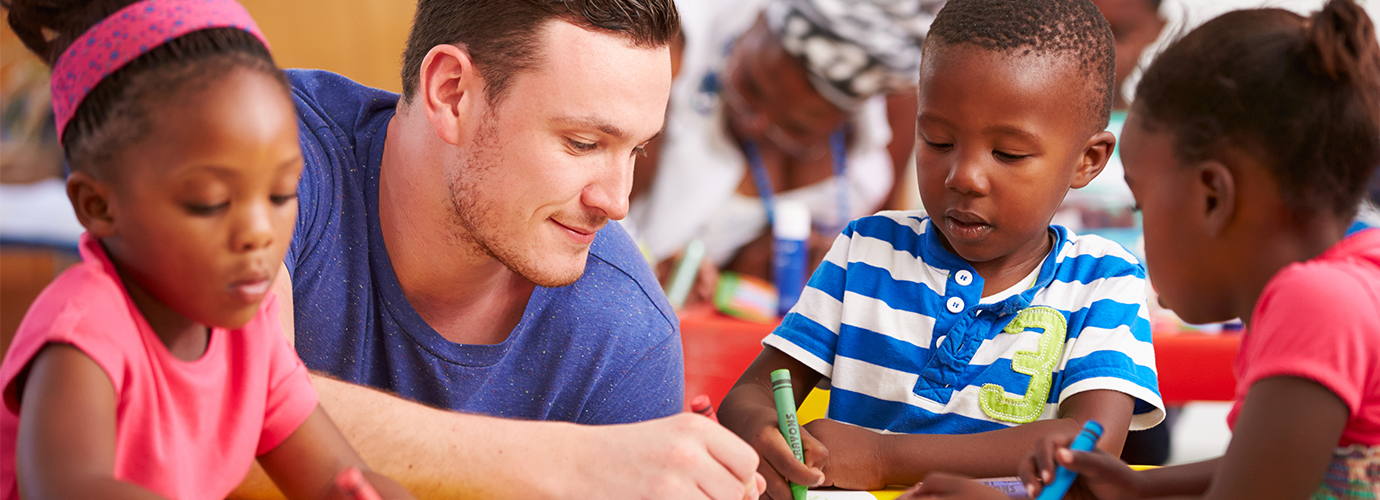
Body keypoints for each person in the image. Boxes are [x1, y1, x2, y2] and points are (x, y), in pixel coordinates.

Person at [234, 1, 764, 498]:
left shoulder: (626, 328)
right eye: (583, 143)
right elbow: (221, 415)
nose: (617, 201)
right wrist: (577, 464)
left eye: (637, 149)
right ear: (452, 92)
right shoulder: (257, 144)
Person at [905, 1, 1380, 499]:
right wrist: (1135, 489)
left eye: (1141, 203)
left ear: (1213, 197)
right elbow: (1273, 467)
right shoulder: (1357, 275)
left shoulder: (1315, 304)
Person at [716, 0, 1165, 497]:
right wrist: (762, 435)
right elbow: (755, 389)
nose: (964, 176)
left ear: (1088, 159)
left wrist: (884, 458)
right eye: (937, 141)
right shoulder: (867, 252)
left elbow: (1088, 446)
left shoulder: (1102, 281)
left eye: (1007, 154)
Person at [0, 0, 412, 498]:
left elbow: (337, 479)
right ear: (98, 205)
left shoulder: (251, 338)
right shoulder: (83, 333)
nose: (259, 231)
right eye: (210, 202)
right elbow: (68, 488)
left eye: (281, 194)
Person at [626, 0, 939, 290]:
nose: (754, 122)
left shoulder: (894, 115)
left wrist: (748, 267)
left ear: (844, 118)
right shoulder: (667, 54)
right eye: (751, 85)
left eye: (795, 127)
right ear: (757, 21)